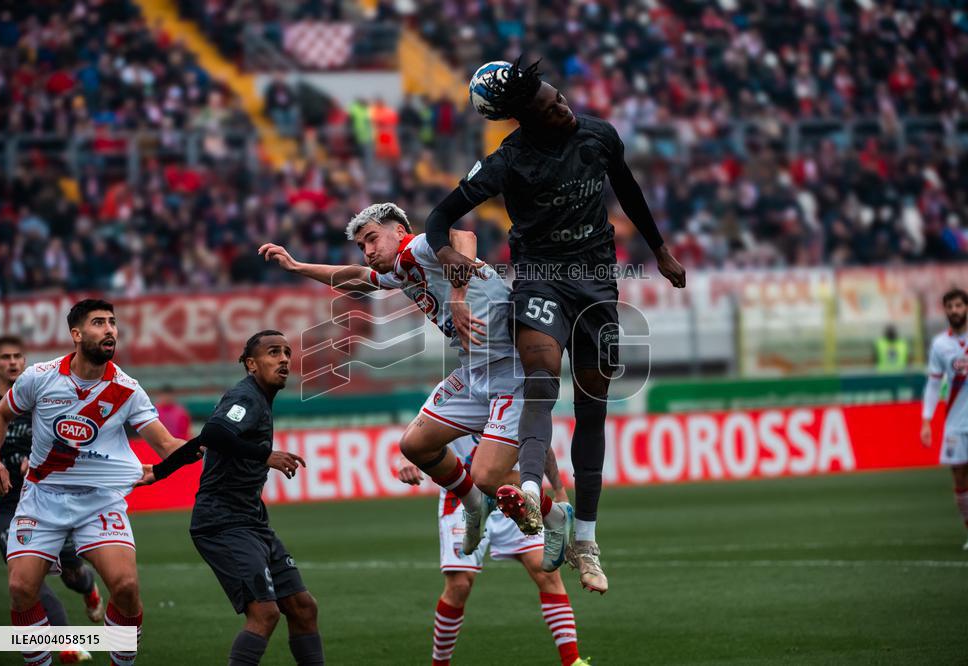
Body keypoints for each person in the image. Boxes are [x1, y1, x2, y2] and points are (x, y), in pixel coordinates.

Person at [424, 58, 686, 593]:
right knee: (541, 376)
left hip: (596, 282)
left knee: (593, 406)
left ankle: (586, 541)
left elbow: (629, 190)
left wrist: (659, 250)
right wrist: (448, 253)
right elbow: (437, 218)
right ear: (526, 118)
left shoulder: (598, 135)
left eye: (560, 96)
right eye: (550, 106)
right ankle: (530, 496)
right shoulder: (507, 162)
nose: (563, 107)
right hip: (541, 280)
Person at [258, 203, 575, 569]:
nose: (368, 251)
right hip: (474, 371)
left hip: (510, 372)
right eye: (362, 245)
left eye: (372, 239)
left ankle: (555, 518)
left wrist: (458, 295)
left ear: (398, 230)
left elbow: (463, 236)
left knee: (488, 475)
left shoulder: (419, 246)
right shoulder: (400, 269)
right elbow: (356, 277)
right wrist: (298, 267)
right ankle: (473, 503)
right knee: (414, 445)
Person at [0, 299, 189, 666]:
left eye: (112, 322)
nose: (109, 329)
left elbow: (168, 445)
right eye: (98, 323)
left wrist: (228, 444)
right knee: (20, 589)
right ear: (76, 334)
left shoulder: (127, 388)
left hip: (99, 501)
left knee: (125, 588)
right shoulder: (40, 376)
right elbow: (0, 416)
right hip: (42, 498)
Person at [142, 330, 321, 665]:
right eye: (272, 353)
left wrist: (160, 471)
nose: (283, 359)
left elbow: (205, 440)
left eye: (286, 352)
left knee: (302, 607)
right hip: (222, 522)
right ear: (251, 364)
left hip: (251, 519)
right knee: (265, 614)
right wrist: (265, 456)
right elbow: (214, 433)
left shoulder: (257, 398)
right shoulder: (248, 397)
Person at [397, 435, 587, 666]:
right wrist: (407, 458)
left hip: (513, 495)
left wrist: (559, 490)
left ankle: (572, 661)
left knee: (545, 571)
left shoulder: (518, 400)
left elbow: (539, 439)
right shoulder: (456, 398)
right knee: (459, 585)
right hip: (462, 498)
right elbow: (423, 428)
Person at [0, 335, 102, 664]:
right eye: (5, 357)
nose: (13, 362)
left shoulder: (44, 395)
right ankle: (65, 640)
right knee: (23, 578)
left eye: (18, 356)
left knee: (73, 570)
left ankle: (87, 587)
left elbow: (73, 436)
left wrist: (42, 458)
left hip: (51, 496)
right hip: (7, 501)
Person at [921, 288, 968, 550]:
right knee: (960, 479)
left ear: (967, 307)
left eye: (958, 306)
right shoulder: (940, 345)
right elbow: (933, 384)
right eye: (949, 307)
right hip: (955, 422)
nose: (954, 311)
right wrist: (926, 421)